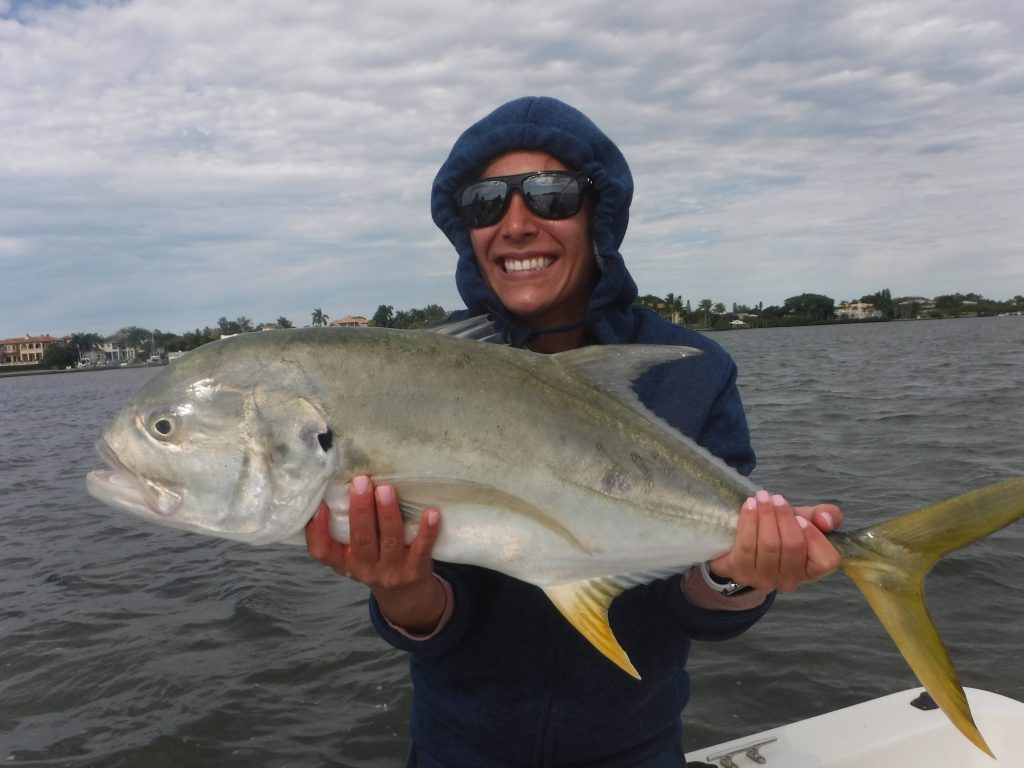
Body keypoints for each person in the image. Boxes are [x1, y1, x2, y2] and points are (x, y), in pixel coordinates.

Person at [306, 96, 842, 768]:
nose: (517, 224)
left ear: (599, 214)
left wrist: (740, 575)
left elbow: (693, 609)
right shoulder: (420, 376)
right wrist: (398, 586)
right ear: (464, 230)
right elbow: (442, 616)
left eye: (552, 196)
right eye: (485, 204)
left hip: (635, 751)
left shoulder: (694, 372)